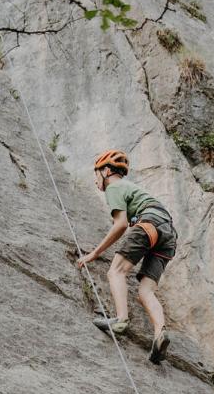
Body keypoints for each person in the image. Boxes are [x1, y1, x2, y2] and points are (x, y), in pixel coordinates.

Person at [76, 149, 177, 364]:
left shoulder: (114, 187)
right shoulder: (133, 188)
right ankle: (160, 333)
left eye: (96, 175)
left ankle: (121, 320)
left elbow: (120, 224)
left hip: (149, 224)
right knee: (145, 291)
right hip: (168, 235)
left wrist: (94, 253)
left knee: (116, 271)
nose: (96, 182)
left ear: (105, 171)